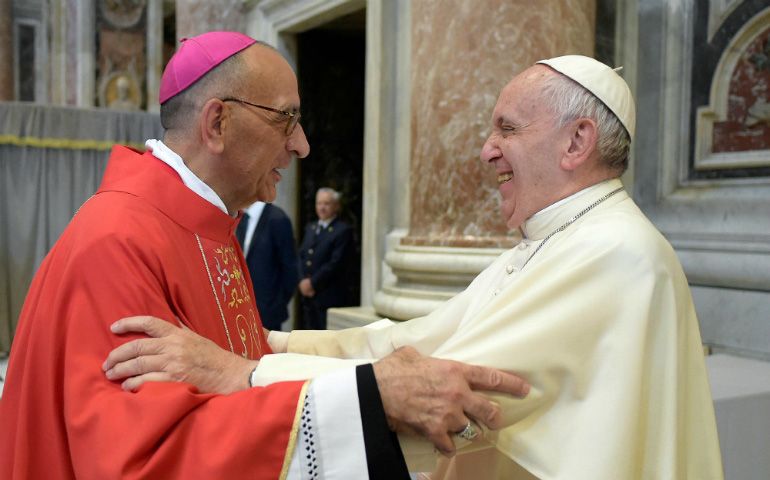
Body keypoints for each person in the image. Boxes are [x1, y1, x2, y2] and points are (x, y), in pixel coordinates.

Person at [100, 55, 724, 479]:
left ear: (576, 142)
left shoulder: (610, 253)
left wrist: (241, 373)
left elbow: (447, 390)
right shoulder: (555, 244)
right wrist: (266, 344)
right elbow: (408, 342)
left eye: (507, 129)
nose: (486, 150)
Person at [0, 31, 531, 479]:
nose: (300, 145)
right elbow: (142, 461)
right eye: (286, 119)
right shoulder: (118, 240)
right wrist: (367, 400)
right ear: (217, 124)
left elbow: (239, 372)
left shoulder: (208, 228)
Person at [236, 201, 299, 331]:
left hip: (269, 309)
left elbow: (290, 267)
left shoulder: (278, 219)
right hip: (243, 307)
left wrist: (278, 303)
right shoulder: (242, 218)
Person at [298, 187, 354, 329]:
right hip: (308, 297)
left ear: (336, 206)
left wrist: (313, 283)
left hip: (328, 296)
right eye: (319, 203)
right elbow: (302, 256)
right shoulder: (311, 227)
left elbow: (336, 263)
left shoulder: (342, 230)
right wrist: (301, 281)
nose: (322, 207)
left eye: (326, 204)